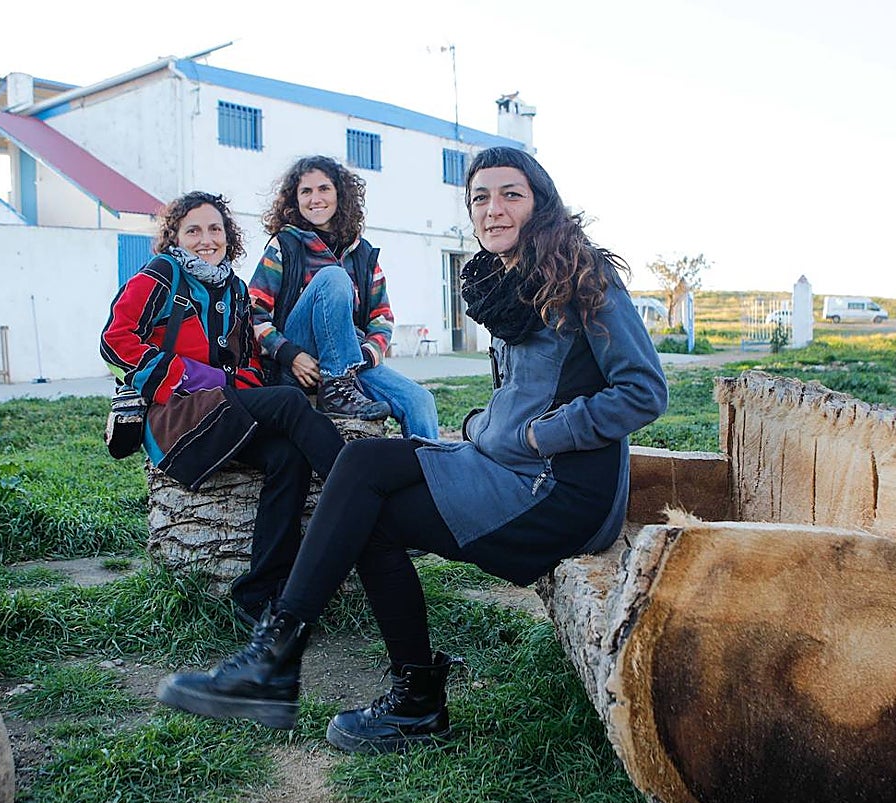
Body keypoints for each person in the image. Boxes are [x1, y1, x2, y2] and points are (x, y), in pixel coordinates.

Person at [156, 149, 668, 753]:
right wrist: (489, 425)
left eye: (511, 194)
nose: (493, 209)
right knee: (364, 472)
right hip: (508, 465)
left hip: (561, 491)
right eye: (480, 197)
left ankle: (304, 671)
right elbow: (523, 391)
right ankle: (321, 672)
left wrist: (538, 435)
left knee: (369, 494)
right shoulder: (511, 280)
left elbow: (643, 391)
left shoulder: (585, 278)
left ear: (541, 202)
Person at [101, 191, 346, 626]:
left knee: (288, 458)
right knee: (288, 401)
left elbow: (249, 361)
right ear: (175, 236)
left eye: (215, 228)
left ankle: (258, 597)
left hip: (220, 413)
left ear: (227, 235)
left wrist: (230, 382)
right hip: (176, 420)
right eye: (193, 230)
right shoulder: (160, 276)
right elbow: (114, 341)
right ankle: (360, 487)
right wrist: (191, 377)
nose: (206, 239)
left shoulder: (233, 287)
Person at [249, 155, 440, 438]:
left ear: (340, 193)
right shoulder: (284, 246)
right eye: (306, 191)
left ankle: (432, 476)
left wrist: (363, 356)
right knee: (333, 277)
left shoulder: (363, 254)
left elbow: (382, 319)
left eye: (324, 189)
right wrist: (291, 354)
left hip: (351, 364)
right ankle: (334, 390)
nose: (316, 198)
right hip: (297, 359)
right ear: (295, 199)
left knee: (420, 401)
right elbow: (254, 312)